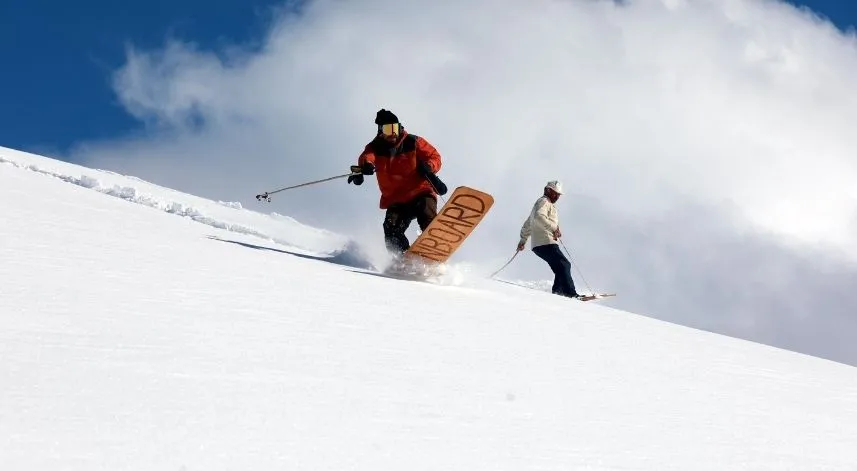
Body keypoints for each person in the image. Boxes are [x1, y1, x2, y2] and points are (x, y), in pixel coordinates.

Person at [348, 108, 444, 256]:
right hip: (397, 199)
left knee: (426, 213)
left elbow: (434, 156)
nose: (392, 133)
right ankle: (402, 258)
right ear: (380, 131)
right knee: (391, 227)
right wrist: (366, 165)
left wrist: (429, 166)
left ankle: (434, 247)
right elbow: (367, 156)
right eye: (387, 129)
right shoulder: (375, 147)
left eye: (395, 128)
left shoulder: (413, 142)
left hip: (420, 191)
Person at [517, 180, 580, 299]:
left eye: (558, 194)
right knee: (564, 265)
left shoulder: (544, 204)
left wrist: (523, 240)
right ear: (548, 190)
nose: (557, 196)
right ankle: (570, 294)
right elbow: (538, 217)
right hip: (546, 242)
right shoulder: (544, 201)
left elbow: (528, 224)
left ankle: (558, 293)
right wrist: (554, 228)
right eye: (555, 193)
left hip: (540, 245)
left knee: (560, 268)